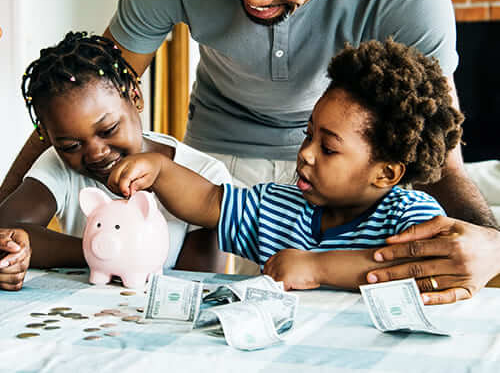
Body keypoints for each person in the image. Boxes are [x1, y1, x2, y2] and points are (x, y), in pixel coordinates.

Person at [1, 0, 499, 302]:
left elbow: (441, 163)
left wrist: (493, 248)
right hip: (221, 157)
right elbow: (88, 90)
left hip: (350, 161)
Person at [106, 40, 462, 298]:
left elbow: (426, 269)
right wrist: (160, 170)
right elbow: (209, 200)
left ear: (385, 174)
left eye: (328, 148)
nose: (306, 154)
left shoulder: (412, 218)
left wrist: (316, 267)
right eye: (308, 136)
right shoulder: (278, 206)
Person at [0, 32, 232, 291]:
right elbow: (5, 229)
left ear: (135, 97)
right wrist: (98, 251)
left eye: (108, 129)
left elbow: (197, 282)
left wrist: (110, 255)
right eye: (71, 146)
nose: (96, 153)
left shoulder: (205, 174)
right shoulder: (59, 164)